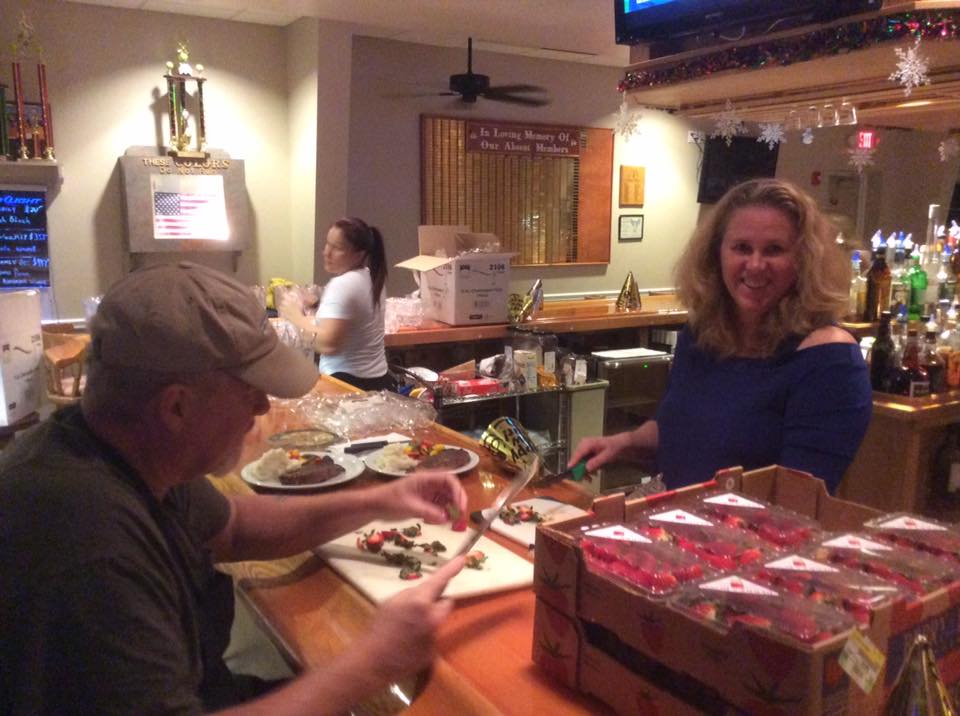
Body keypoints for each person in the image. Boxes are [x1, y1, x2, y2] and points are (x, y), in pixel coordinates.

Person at [0, 261, 467, 715]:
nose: (263, 406)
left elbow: (234, 526)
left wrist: (380, 500)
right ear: (176, 408)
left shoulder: (116, 448)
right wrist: (376, 660)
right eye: (249, 389)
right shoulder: (89, 550)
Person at [570, 178, 872, 494]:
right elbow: (679, 429)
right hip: (676, 527)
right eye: (742, 248)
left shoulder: (829, 361)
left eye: (774, 250)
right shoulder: (702, 336)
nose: (755, 265)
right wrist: (624, 443)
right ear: (717, 254)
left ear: (803, 260)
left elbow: (798, 502)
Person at [280, 217, 394, 391]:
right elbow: (349, 322)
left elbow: (329, 344)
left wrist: (295, 317)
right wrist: (317, 307)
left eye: (337, 248)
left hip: (346, 384)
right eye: (327, 244)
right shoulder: (369, 276)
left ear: (359, 254)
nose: (326, 252)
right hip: (377, 381)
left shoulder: (343, 284)